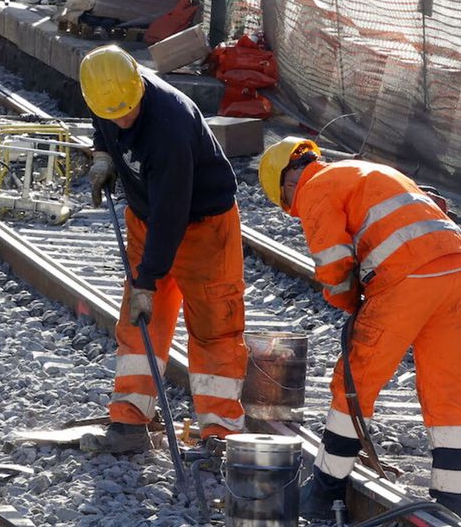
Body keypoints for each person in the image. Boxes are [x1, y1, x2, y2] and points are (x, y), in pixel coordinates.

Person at [259, 140, 461, 518]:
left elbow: (334, 266)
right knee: (448, 388)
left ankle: (325, 490)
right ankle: (453, 497)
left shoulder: (315, 188)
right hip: (455, 270)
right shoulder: (366, 171)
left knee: (355, 381)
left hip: (407, 277)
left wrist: (352, 302)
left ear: (288, 184)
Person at [78, 44, 248, 454]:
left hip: (203, 227)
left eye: (127, 112)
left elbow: (172, 215)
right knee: (140, 322)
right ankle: (129, 422)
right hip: (146, 218)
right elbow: (104, 120)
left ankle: (221, 436)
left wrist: (148, 279)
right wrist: (103, 155)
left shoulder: (169, 126)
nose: (122, 119)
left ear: (139, 86)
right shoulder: (108, 91)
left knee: (213, 329)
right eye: (112, 114)